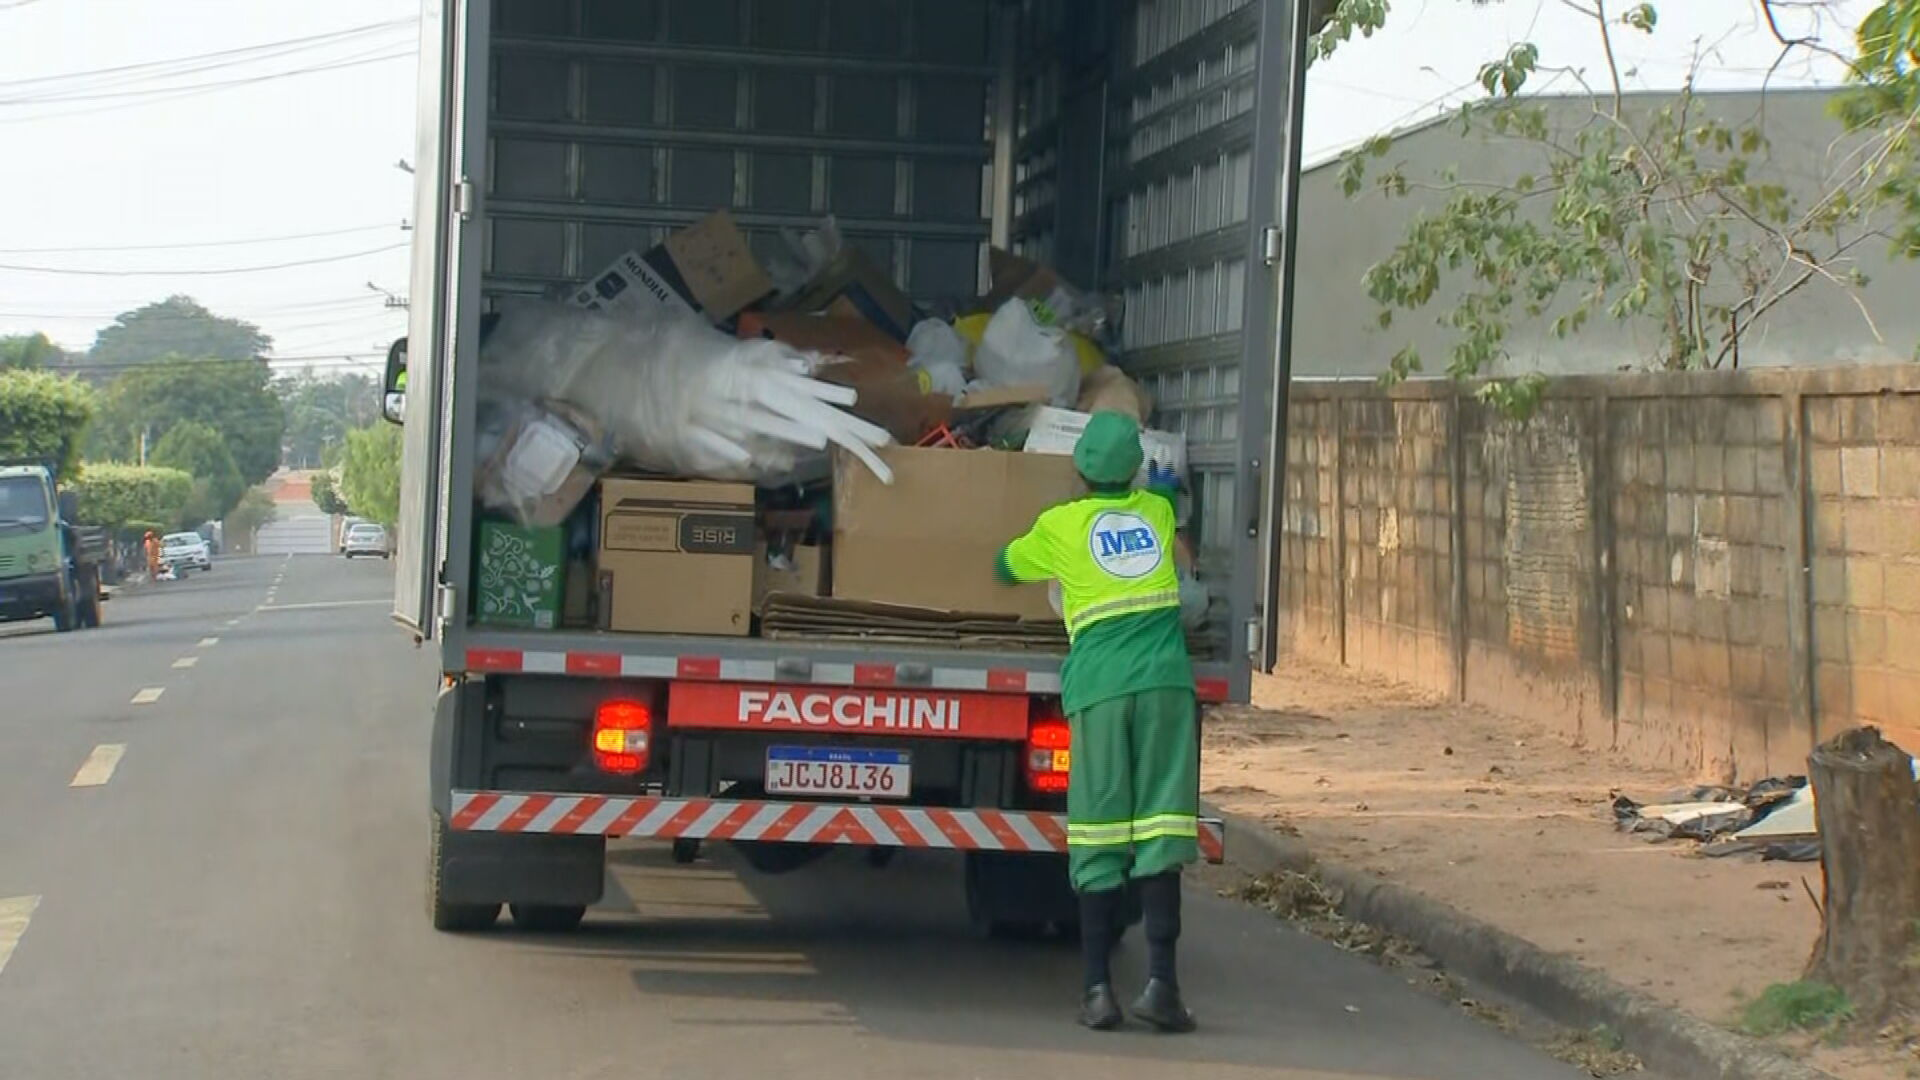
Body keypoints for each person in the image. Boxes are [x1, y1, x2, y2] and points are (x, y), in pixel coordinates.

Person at [995, 411, 1199, 1033]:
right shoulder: (1158, 515)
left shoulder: (1059, 525)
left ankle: (1096, 991)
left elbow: (1007, 566)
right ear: (1135, 468)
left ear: (1079, 469)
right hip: (1165, 684)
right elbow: (1173, 523)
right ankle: (1162, 985)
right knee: (1163, 827)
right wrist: (1160, 489)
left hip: (1102, 690)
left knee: (1097, 832)